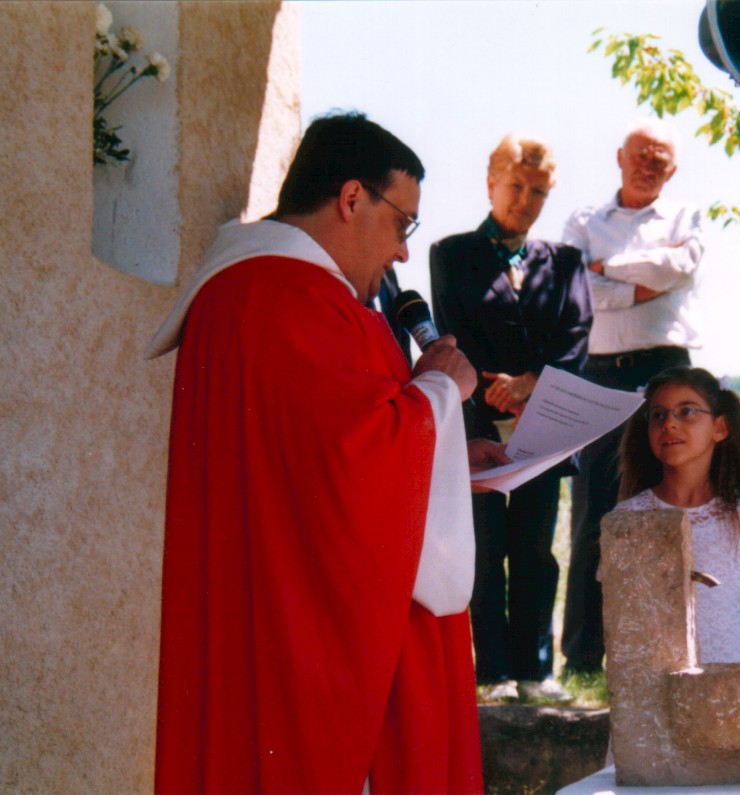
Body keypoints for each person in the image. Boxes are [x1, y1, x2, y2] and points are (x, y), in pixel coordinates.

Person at [145, 111, 507, 795]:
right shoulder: (310, 304)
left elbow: (314, 468)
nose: (402, 254)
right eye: (402, 224)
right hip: (315, 654)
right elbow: (356, 459)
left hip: (256, 619)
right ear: (350, 198)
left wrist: (448, 460)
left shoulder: (235, 295)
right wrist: (441, 387)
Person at [431, 133, 592, 702]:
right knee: (484, 546)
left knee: (535, 552)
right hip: (478, 425)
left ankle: (535, 671)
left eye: (538, 192)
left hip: (543, 428)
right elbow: (453, 330)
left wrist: (533, 384)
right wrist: (501, 388)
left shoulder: (566, 263)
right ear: (491, 184)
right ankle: (492, 673)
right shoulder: (451, 254)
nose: (525, 200)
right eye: (516, 186)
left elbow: (576, 338)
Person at [560, 118, 704, 674]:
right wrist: (642, 284)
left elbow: (680, 267)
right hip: (598, 372)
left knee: (671, 506)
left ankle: (666, 655)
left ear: (673, 169)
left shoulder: (685, 217)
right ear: (620, 157)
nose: (648, 165)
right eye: (640, 154)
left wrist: (608, 270)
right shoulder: (585, 220)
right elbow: (575, 287)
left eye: (659, 158)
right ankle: (582, 658)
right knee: (594, 512)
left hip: (667, 370)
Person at [614, 367, 740, 663]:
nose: (669, 423)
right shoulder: (629, 517)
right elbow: (620, 616)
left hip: (728, 679)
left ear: (720, 428)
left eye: (686, 411)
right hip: (656, 680)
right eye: (658, 415)